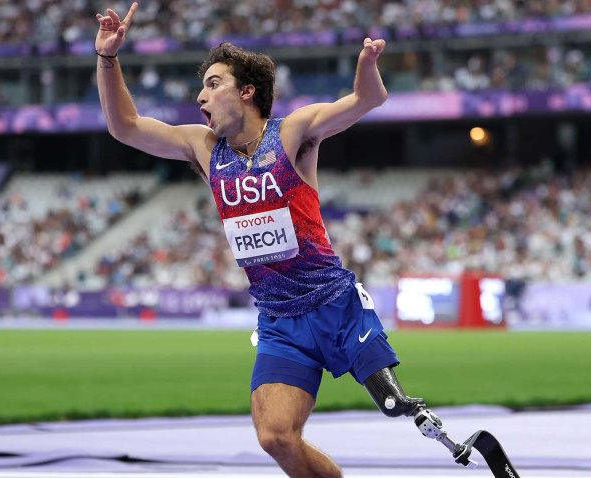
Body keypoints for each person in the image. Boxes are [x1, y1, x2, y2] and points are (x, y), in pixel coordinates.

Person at [95, 4, 459, 476]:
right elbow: (124, 126)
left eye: (213, 84)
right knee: (275, 437)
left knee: (394, 405)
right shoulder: (204, 149)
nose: (200, 97)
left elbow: (366, 101)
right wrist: (107, 59)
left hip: (334, 306)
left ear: (247, 91)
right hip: (278, 319)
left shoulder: (291, 134)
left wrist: (367, 67)